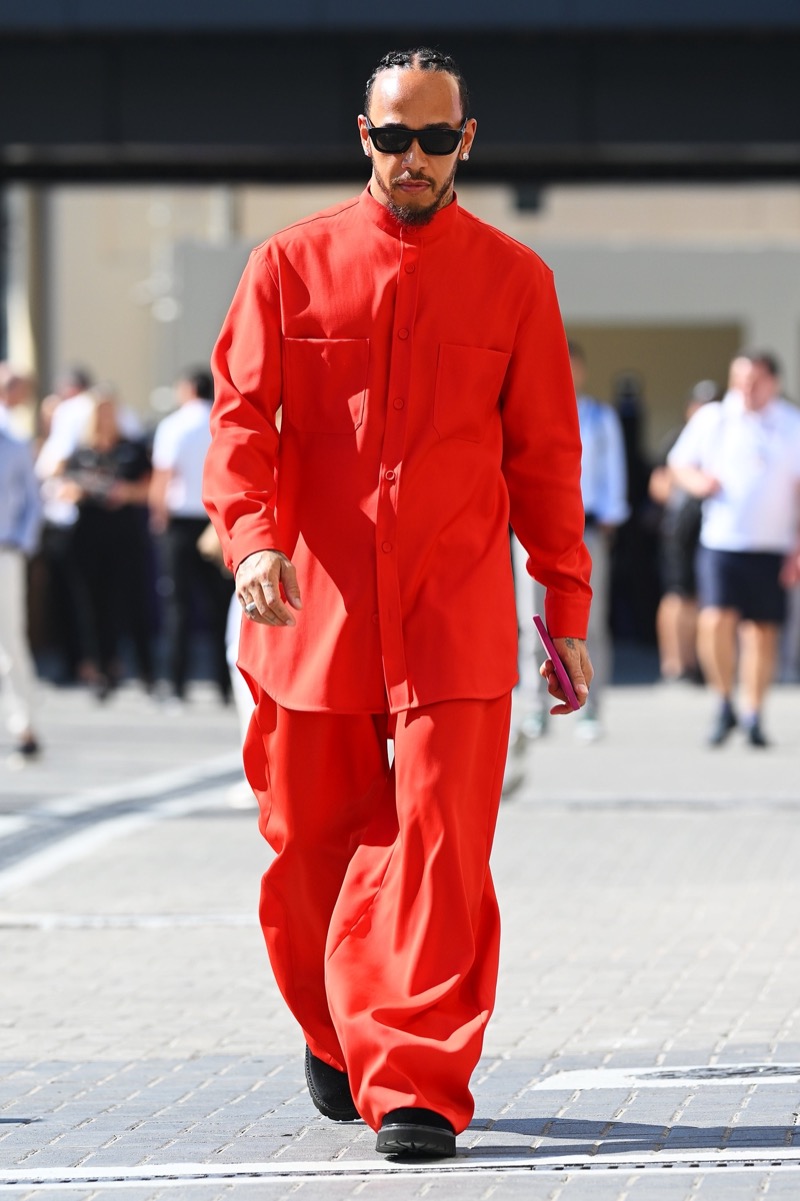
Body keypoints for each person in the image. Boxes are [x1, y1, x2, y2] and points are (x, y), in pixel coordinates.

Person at [203, 47, 592, 1160]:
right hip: (311, 612)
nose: (410, 158)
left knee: (435, 848)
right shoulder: (287, 264)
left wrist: (561, 601)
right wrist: (252, 542)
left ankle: (414, 1074)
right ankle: (336, 1024)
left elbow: (545, 457)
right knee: (308, 844)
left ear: (466, 140)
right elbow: (241, 421)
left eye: (432, 138)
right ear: (360, 136)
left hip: (453, 612)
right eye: (391, 137)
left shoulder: (515, 280)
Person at [668, 351, 800, 747]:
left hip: (772, 544)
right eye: (740, 380)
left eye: (755, 381)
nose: (746, 389)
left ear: (772, 382)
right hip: (722, 541)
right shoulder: (714, 419)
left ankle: (754, 712)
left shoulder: (790, 423)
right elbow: (679, 464)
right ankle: (723, 701)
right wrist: (699, 483)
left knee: (762, 632)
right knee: (716, 620)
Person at [512, 340, 627, 742]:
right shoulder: (529, 409)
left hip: (586, 528)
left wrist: (612, 516)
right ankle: (533, 706)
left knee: (587, 621)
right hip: (531, 529)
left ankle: (590, 707)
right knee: (531, 620)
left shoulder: (597, 415)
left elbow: (613, 470)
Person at [57, 388, 154, 698]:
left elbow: (150, 488)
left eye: (110, 411)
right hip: (88, 537)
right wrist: (79, 489)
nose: (105, 418)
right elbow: (62, 486)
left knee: (133, 603)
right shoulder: (81, 452)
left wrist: (124, 492)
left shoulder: (133, 449)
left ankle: (146, 670)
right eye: (100, 412)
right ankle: (100, 669)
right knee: (92, 607)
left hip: (124, 536)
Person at [150, 368, 233, 705]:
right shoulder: (220, 419)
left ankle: (177, 683)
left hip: (182, 523)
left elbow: (163, 476)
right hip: (215, 520)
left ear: (186, 389)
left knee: (178, 606)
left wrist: (158, 517)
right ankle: (225, 685)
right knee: (221, 604)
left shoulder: (174, 425)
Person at [648, 379, 718, 683]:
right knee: (677, 594)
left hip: (711, 527)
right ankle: (674, 662)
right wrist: (689, 488)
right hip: (679, 527)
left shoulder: (722, 440)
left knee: (705, 596)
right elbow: (658, 486)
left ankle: (700, 662)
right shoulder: (679, 438)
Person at [0, 393, 43, 762]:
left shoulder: (13, 444)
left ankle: (23, 725)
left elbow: (33, 500)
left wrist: (21, 543)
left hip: (4, 553)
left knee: (10, 642)